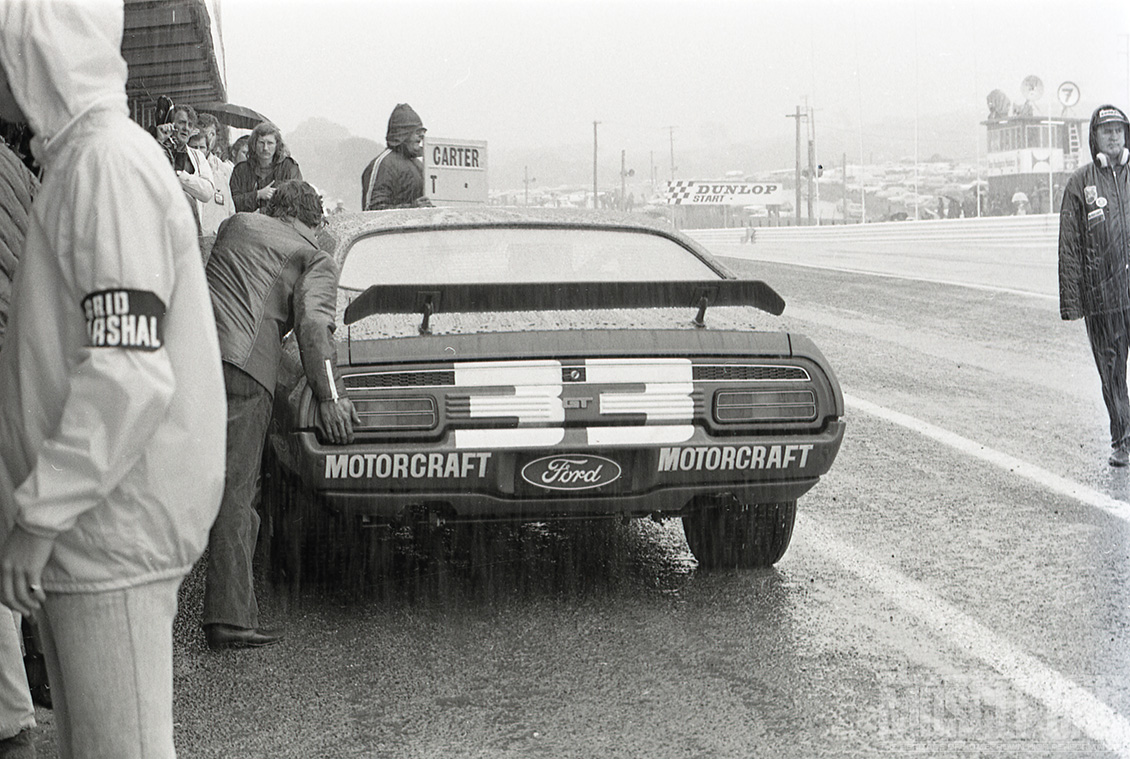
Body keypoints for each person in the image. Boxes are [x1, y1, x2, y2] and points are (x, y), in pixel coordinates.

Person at [0, 2, 226, 757]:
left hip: (108, 532)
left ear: (38, 47)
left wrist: (39, 516)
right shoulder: (86, 162)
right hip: (96, 530)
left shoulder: (105, 167)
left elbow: (127, 371)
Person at [203, 179, 357, 650]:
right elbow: (314, 327)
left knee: (194, 482)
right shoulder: (315, 258)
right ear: (314, 220)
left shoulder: (235, 225)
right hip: (247, 371)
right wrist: (330, 396)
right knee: (237, 490)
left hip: (195, 360)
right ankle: (230, 618)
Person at [1059, 104, 1130, 466]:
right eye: (1107, 131)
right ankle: (1123, 440)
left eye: (1119, 130)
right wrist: (1072, 302)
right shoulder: (1080, 183)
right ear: (1095, 137)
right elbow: (1069, 246)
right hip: (1102, 301)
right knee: (1113, 374)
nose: (1114, 137)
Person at [361, 103, 433, 210]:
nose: (422, 136)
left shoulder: (420, 165)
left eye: (422, 132)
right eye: (417, 132)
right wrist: (412, 208)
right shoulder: (384, 164)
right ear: (402, 134)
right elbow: (372, 210)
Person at [229, 121, 301, 213]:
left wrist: (263, 212)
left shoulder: (289, 167)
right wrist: (257, 195)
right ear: (254, 144)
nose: (265, 148)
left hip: (279, 221)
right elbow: (231, 202)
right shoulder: (241, 170)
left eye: (270, 143)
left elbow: (296, 201)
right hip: (245, 220)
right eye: (261, 143)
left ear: (277, 145)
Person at [168, 103, 215, 233]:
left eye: (190, 125)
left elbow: (207, 192)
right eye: (181, 123)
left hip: (189, 227)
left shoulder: (198, 156)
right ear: (171, 124)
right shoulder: (157, 149)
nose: (186, 128)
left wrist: (178, 176)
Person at [194, 114, 235, 236]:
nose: (208, 137)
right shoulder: (185, 165)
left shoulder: (224, 169)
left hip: (217, 237)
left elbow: (230, 209)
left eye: (212, 134)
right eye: (203, 132)